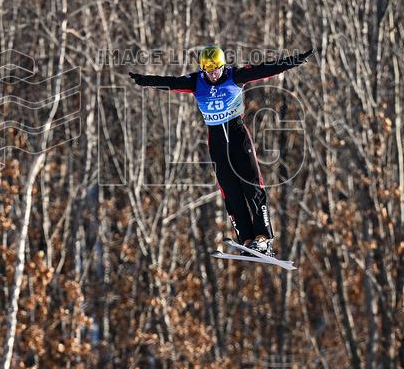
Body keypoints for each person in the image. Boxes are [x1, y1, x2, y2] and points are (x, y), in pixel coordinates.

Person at [128, 45, 313, 257]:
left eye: (216, 68)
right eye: (208, 69)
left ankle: (263, 239)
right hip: (217, 145)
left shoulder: (235, 76)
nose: (212, 73)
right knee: (231, 193)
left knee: (251, 187)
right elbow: (170, 82)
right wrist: (145, 80)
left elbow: (266, 69)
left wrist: (294, 60)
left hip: (238, 141)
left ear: (222, 64)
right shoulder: (196, 82)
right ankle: (247, 240)